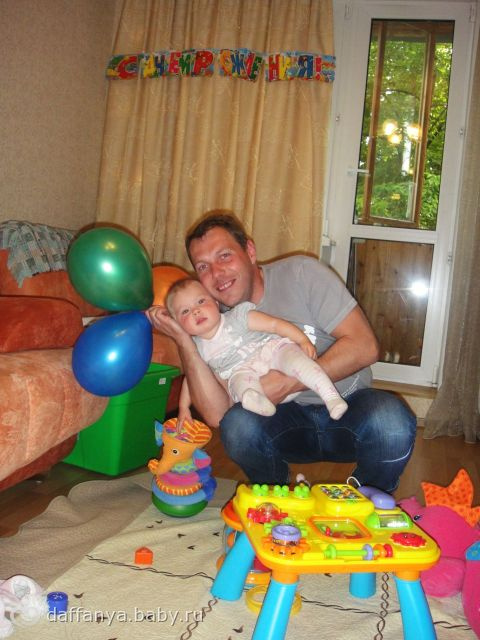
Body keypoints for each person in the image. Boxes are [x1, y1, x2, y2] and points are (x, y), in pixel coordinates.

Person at [147, 211, 416, 492]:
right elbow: (217, 416)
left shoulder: (302, 274)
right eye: (203, 267)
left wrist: (290, 381)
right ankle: (274, 499)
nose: (216, 273)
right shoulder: (212, 320)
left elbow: (365, 346)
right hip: (282, 420)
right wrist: (185, 341)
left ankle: (364, 500)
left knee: (391, 422)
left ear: (250, 251)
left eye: (224, 256)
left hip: (347, 403)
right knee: (237, 426)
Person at [165, 277, 348, 422]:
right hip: (244, 372)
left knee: (297, 361)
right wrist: (183, 408)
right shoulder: (197, 348)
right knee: (239, 385)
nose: (195, 311)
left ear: (215, 302)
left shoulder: (237, 317)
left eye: (200, 301)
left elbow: (274, 325)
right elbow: (192, 379)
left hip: (271, 352)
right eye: (185, 311)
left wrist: (302, 340)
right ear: (178, 324)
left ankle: (331, 397)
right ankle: (257, 402)